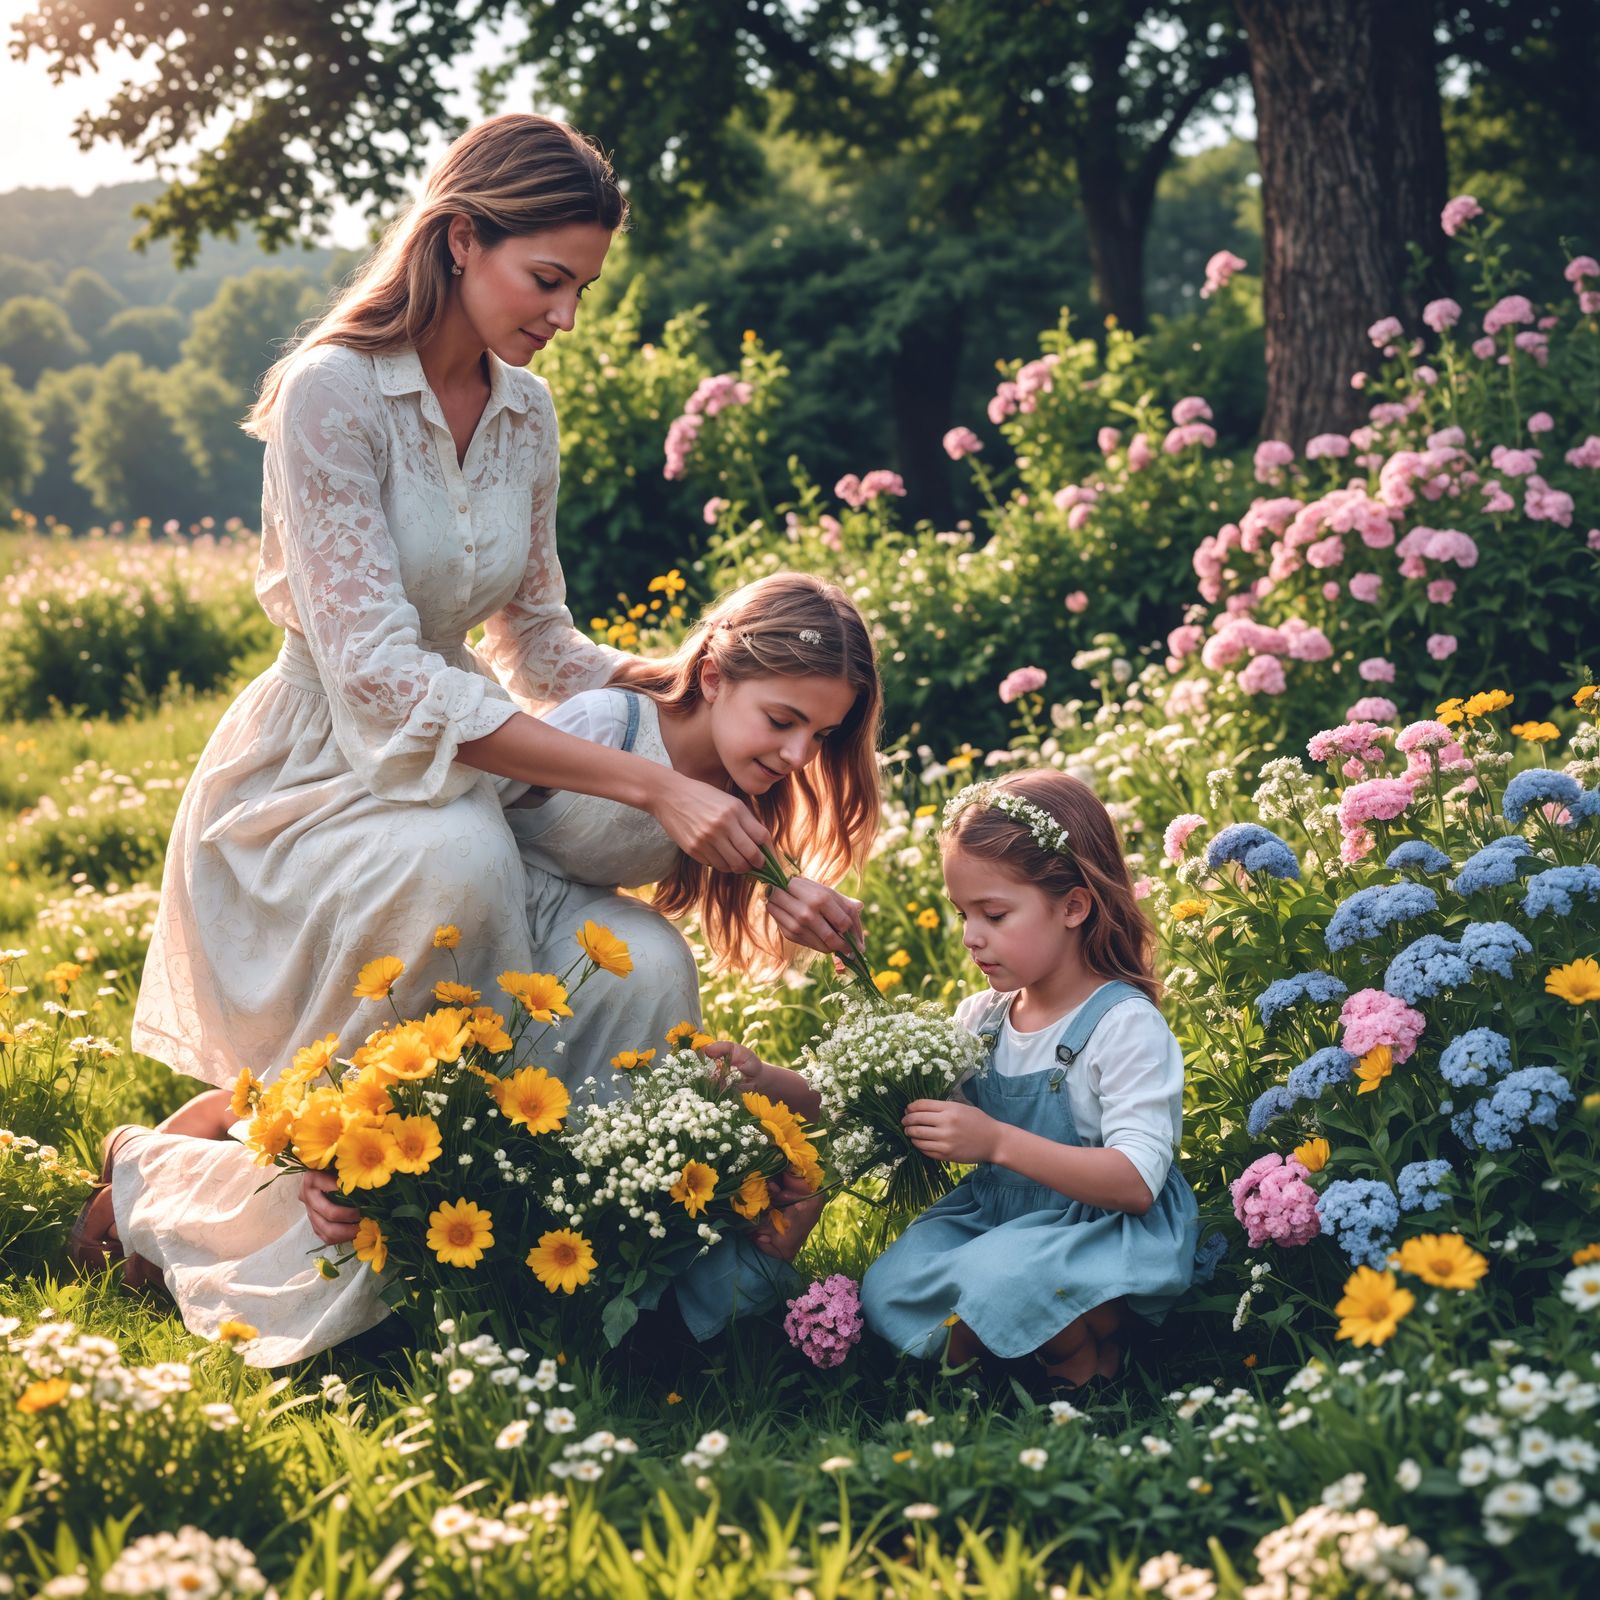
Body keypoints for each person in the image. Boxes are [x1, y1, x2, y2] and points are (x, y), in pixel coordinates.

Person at [66, 113, 863, 1358]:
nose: (564, 312)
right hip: (318, 773)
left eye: (582, 287)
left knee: (640, 966)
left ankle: (527, 1247)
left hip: (455, 771)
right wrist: (649, 792)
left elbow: (537, 639)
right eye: (547, 279)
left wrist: (702, 702)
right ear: (456, 240)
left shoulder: (526, 412)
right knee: (461, 868)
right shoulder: (334, 391)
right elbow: (380, 675)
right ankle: (208, 1183)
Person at [860, 771, 1197, 1384]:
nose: (970, 937)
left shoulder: (1122, 1024)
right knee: (888, 1287)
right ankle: (1056, 1338)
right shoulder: (982, 1019)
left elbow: (1135, 1184)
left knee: (1000, 1279)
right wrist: (781, 1084)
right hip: (997, 1217)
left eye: (993, 913)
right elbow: (914, 1106)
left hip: (1099, 1227)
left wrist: (995, 1143)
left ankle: (1087, 1365)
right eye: (962, 913)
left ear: (1073, 905)